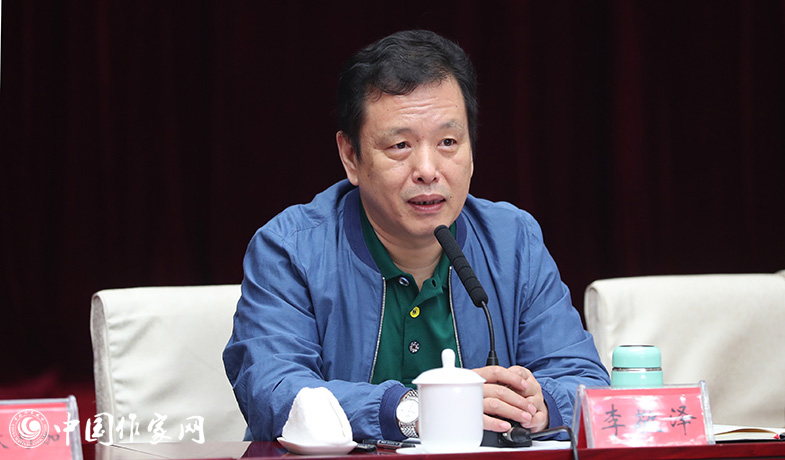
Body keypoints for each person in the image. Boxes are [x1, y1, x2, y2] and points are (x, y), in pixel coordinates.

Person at [223, 29, 610, 442]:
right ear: (351, 157)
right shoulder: (291, 249)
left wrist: (540, 404)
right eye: (400, 145)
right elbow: (274, 393)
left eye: (448, 142)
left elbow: (586, 384)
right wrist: (416, 411)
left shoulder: (513, 242)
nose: (427, 169)